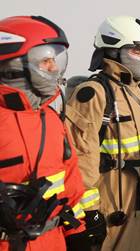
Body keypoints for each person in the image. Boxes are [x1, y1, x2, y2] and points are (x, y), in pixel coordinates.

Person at [65, 16, 140, 251]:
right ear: (114, 52)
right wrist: (89, 211)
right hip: (112, 200)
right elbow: (80, 156)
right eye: (137, 50)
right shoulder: (93, 94)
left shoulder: (138, 92)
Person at [0, 16, 86, 251]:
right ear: (14, 63)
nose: (54, 68)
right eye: (46, 60)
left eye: (55, 60)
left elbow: (69, 181)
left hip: (53, 241)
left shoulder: (50, 118)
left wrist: (76, 230)